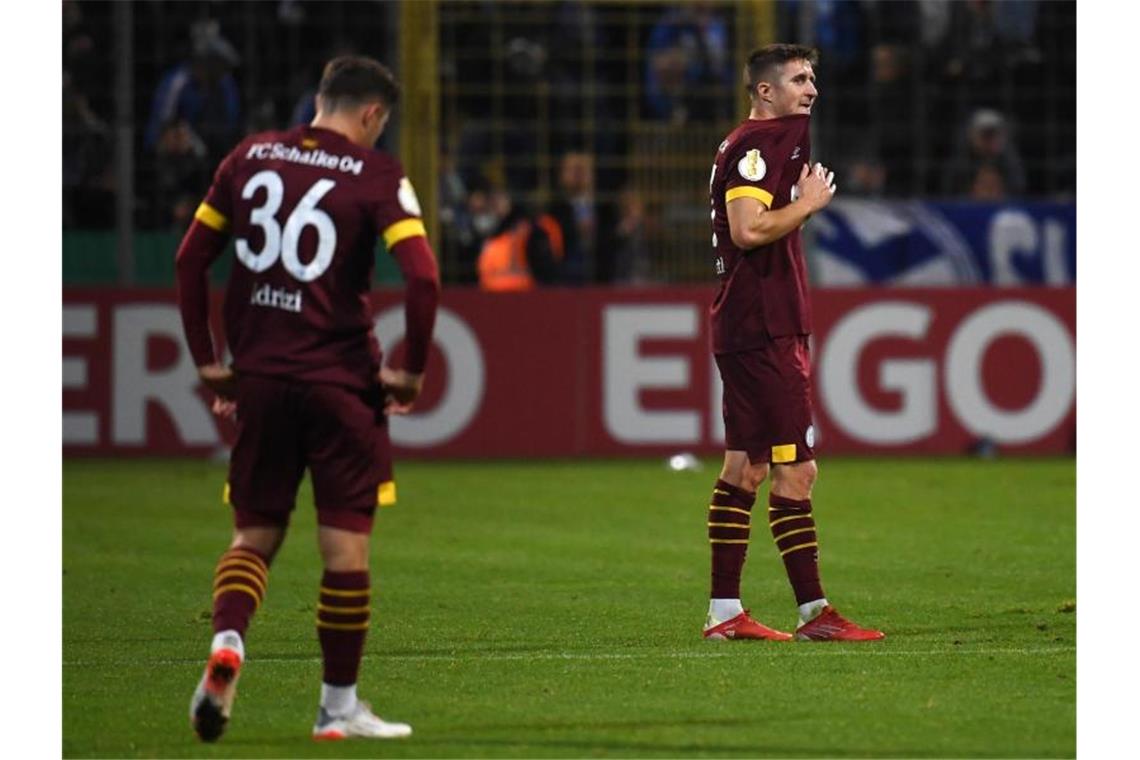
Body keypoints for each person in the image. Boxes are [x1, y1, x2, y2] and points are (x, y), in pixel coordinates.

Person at [174, 55, 441, 741]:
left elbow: (190, 260)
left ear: (319, 99)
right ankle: (337, 708)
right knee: (343, 550)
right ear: (374, 114)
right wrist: (409, 370)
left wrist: (209, 363)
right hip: (341, 384)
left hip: (260, 379)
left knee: (253, 536)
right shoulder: (377, 174)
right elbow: (422, 279)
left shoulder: (250, 155)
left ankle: (228, 642)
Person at [702, 44, 884, 642]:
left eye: (814, 78)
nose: (812, 89)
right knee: (797, 471)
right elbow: (748, 228)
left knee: (745, 467)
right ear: (765, 91)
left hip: (749, 324)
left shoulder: (756, 142)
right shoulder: (761, 145)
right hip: (763, 329)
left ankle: (725, 613)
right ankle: (814, 615)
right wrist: (807, 205)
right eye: (799, 79)